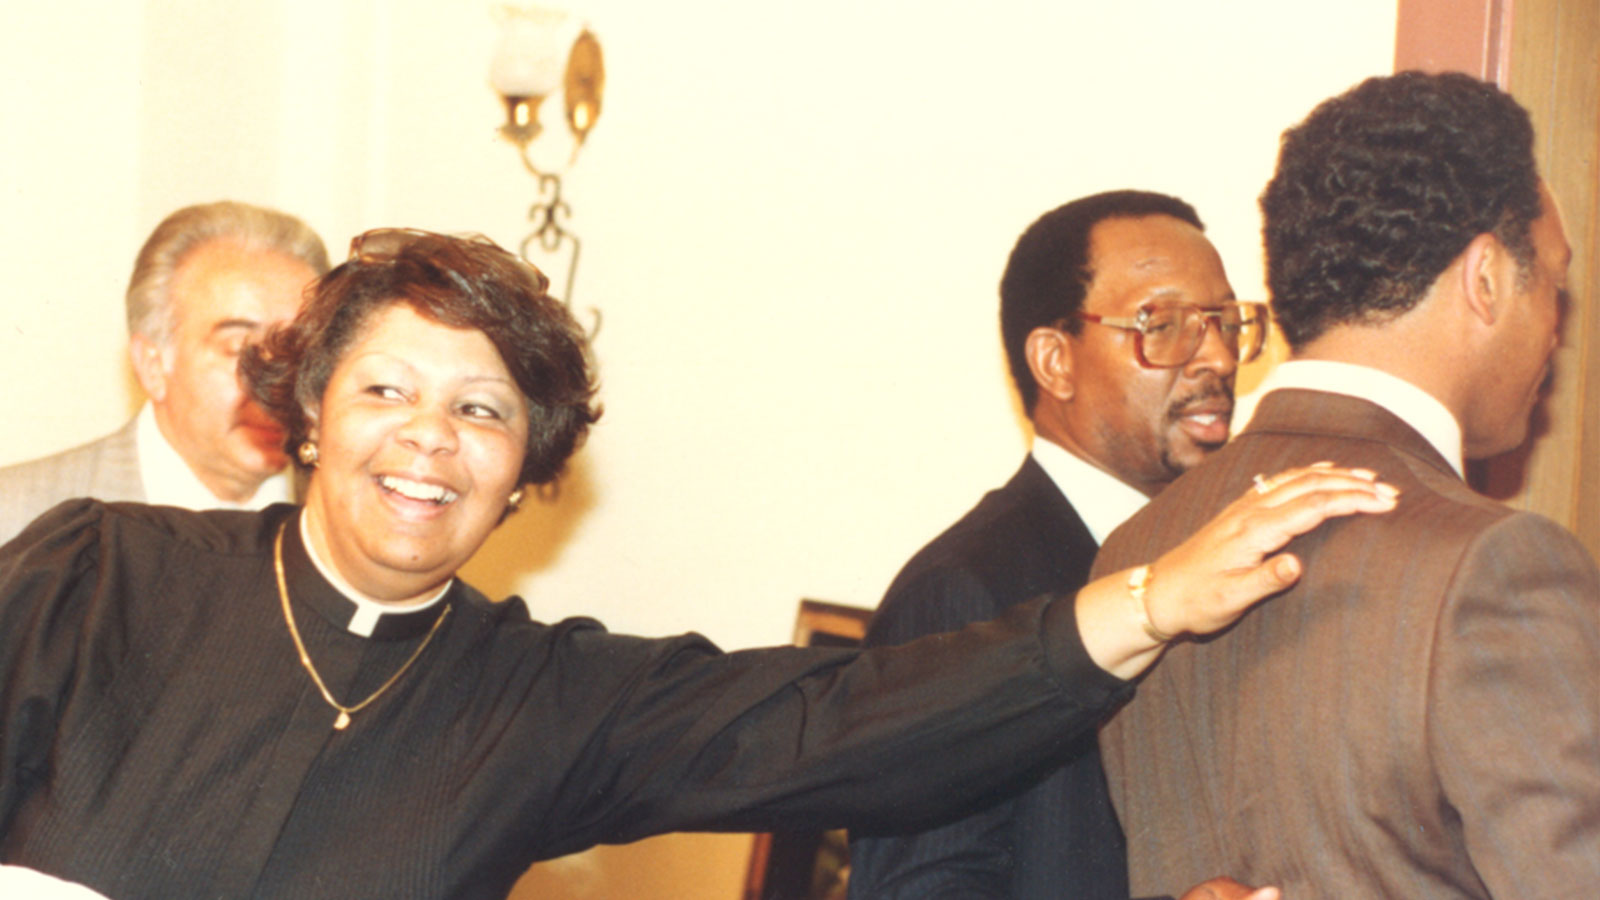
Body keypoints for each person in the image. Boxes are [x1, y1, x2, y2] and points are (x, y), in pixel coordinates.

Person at [0, 229, 1397, 900]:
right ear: (308, 413)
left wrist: (1149, 602)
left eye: (482, 411)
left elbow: (836, 718)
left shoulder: (539, 697)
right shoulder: (100, 577)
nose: (430, 442)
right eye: (385, 393)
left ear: (524, 471)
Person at [1093, 71, 1600, 897]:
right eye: (1553, 280)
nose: (1559, 326)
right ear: (1484, 278)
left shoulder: (1140, 554)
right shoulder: (1498, 565)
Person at [849, 190, 1268, 900]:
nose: (1220, 356)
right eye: (1161, 324)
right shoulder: (963, 592)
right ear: (1055, 361)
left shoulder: (1232, 559)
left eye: (1226, 321)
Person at [0, 201, 328, 543]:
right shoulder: (21, 517)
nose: (275, 382)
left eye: (297, 348)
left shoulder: (349, 524)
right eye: (239, 348)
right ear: (152, 365)